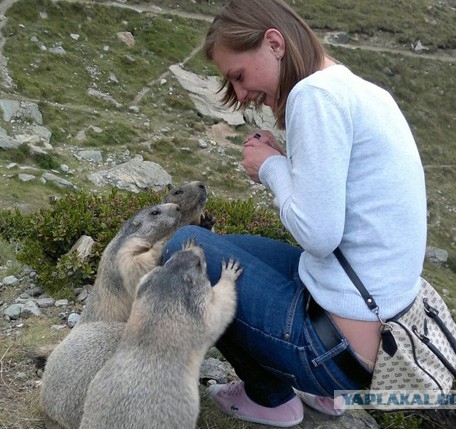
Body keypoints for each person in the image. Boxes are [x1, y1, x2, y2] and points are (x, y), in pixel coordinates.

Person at [162, 0, 427, 426]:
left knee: (183, 249)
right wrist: (286, 161)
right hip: (377, 333)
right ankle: (324, 398)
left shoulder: (313, 95)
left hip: (337, 353)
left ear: (273, 43)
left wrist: (268, 166)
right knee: (225, 249)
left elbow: (318, 234)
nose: (243, 94)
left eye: (239, 76)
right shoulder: (361, 91)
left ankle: (271, 399)